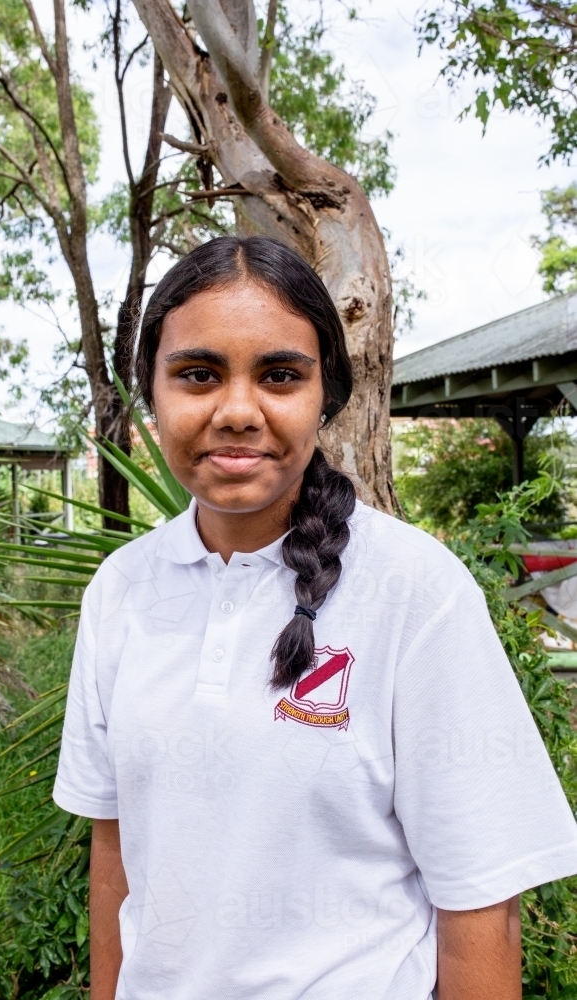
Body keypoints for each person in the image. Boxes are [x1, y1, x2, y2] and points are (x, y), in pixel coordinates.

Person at [54, 236, 577, 1000]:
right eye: (197, 374)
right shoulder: (122, 590)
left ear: (324, 395)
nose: (236, 411)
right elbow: (116, 853)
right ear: (150, 392)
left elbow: (480, 906)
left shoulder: (415, 593)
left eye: (279, 375)